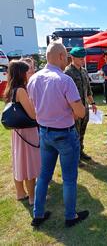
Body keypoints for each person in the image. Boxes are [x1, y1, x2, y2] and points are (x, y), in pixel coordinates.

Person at [27, 42, 89, 228]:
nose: (67, 60)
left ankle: (38, 214)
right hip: (64, 134)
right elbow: (80, 112)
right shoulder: (64, 80)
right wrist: (73, 110)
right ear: (62, 56)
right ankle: (70, 216)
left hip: (45, 132)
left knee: (44, 175)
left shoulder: (34, 79)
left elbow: (34, 109)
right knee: (69, 178)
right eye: (67, 57)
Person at [3, 60, 40, 206]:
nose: (28, 73)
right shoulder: (21, 90)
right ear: (21, 74)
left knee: (20, 162)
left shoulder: (10, 89)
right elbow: (32, 114)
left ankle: (21, 193)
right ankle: (32, 197)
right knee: (30, 164)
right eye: (26, 71)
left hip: (18, 132)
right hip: (27, 131)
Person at [64, 47, 97, 162]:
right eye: (80, 58)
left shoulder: (84, 71)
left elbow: (88, 89)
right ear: (72, 57)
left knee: (82, 131)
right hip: (74, 109)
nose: (83, 60)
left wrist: (92, 102)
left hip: (84, 107)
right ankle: (74, 156)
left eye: (84, 57)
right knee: (74, 134)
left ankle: (80, 151)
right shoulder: (67, 72)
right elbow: (64, 94)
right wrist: (72, 111)